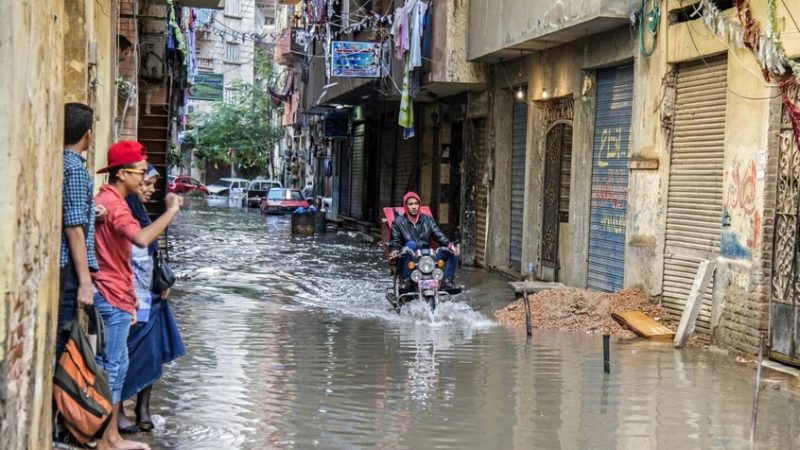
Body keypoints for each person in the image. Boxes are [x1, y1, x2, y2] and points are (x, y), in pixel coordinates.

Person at [92, 141, 183, 450]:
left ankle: (111, 436)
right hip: (110, 294)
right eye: (142, 173)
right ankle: (108, 438)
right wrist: (171, 211)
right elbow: (141, 239)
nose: (145, 181)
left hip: (119, 294)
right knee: (112, 367)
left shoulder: (109, 201)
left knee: (117, 364)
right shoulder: (116, 204)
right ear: (123, 173)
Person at [118, 164, 186, 434]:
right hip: (133, 297)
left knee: (152, 353)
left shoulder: (140, 212)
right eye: (146, 184)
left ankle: (142, 409)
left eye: (153, 185)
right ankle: (120, 410)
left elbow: (151, 252)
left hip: (151, 296)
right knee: (128, 353)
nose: (150, 190)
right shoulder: (124, 213)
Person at [57, 103, 106, 360]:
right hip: (69, 271)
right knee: (64, 342)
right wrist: (85, 283)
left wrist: (90, 211)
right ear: (88, 134)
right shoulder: (75, 169)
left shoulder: (59, 163)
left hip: (64, 268)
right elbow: (74, 229)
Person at [387, 191, 459, 292]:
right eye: (410, 204)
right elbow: (395, 240)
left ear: (419, 205)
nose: (414, 207)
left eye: (416, 204)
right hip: (408, 257)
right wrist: (394, 249)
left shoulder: (428, 220)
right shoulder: (398, 222)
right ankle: (407, 281)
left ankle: (447, 282)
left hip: (426, 257)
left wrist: (450, 245)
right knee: (411, 244)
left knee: (452, 253)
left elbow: (438, 235)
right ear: (406, 206)